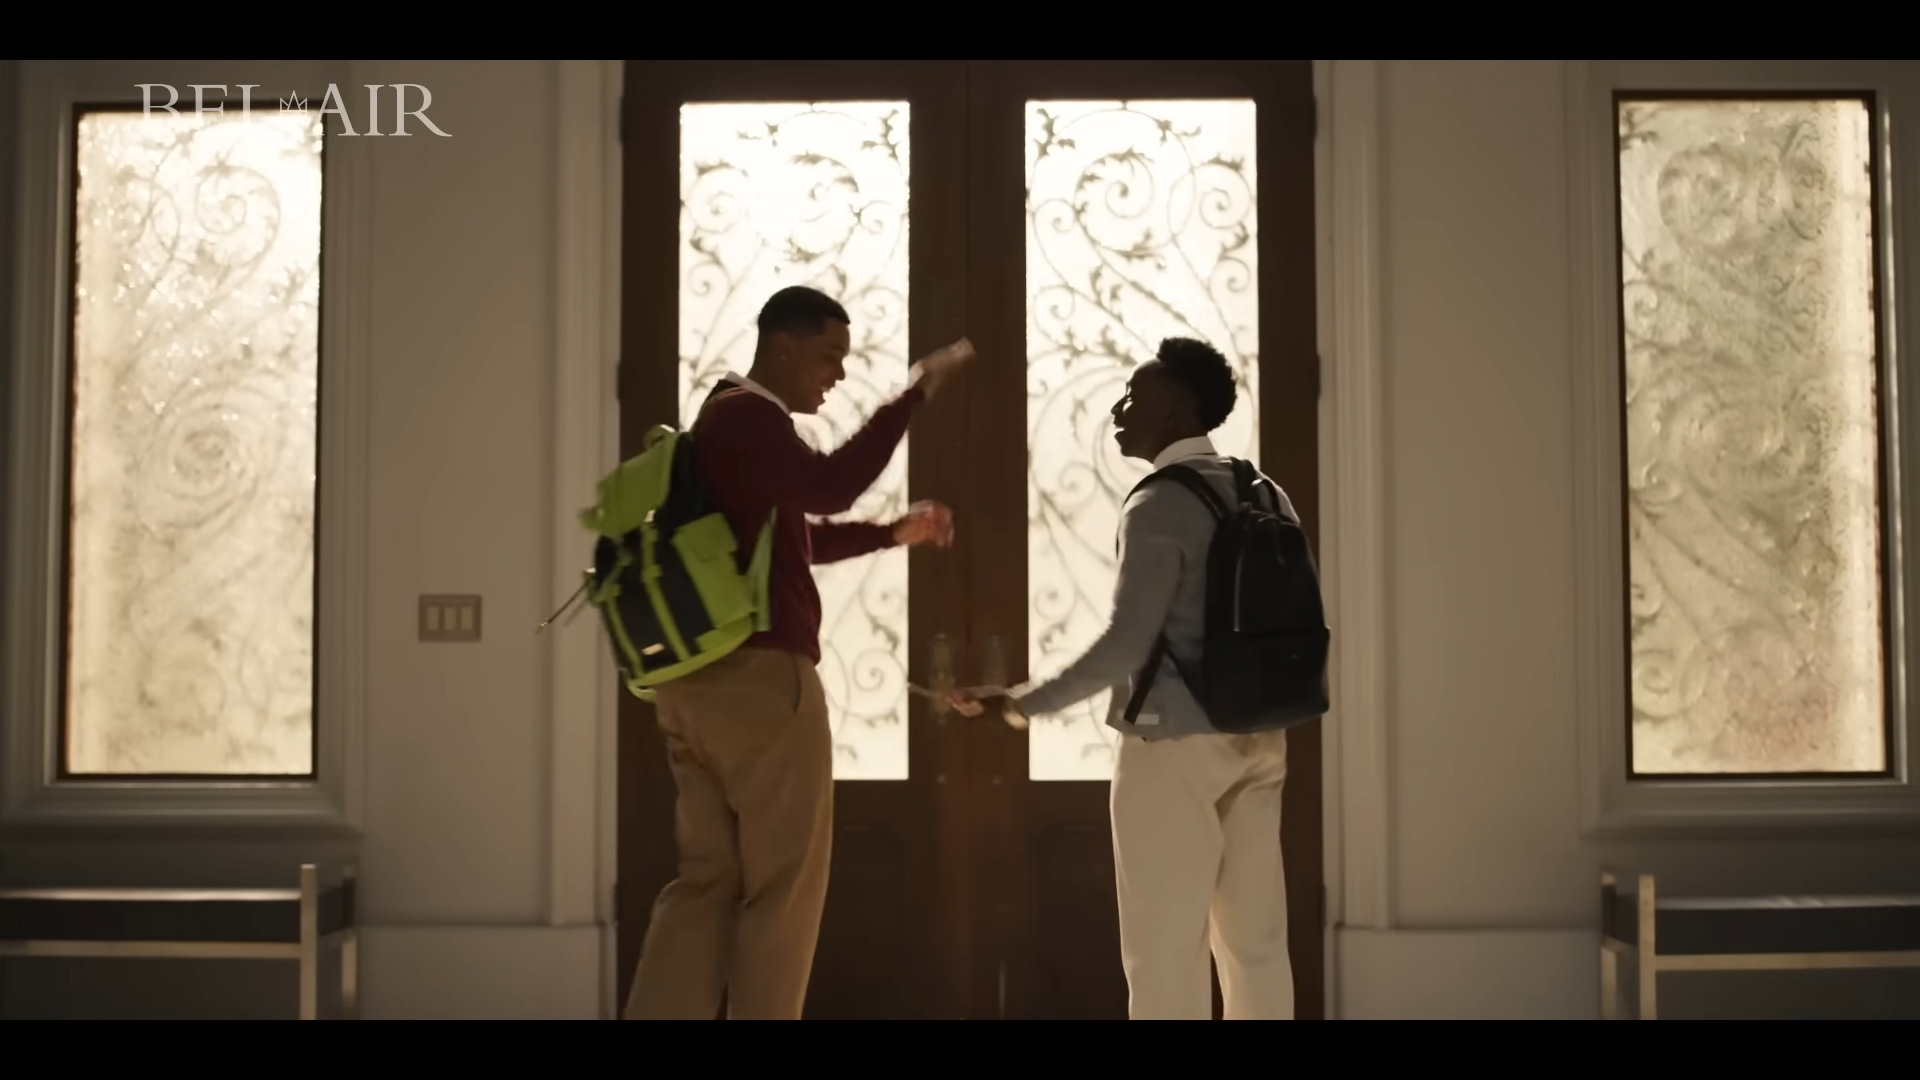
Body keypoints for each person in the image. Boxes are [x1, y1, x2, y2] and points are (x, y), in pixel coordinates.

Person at [625, 286, 973, 1020]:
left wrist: (890, 534)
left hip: (694, 683)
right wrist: (912, 394)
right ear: (782, 346)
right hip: (759, 685)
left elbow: (790, 537)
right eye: (828, 356)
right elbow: (831, 487)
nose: (838, 374)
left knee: (706, 883)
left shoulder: (719, 420)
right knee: (785, 887)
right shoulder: (752, 418)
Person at [952, 337, 1297, 1021]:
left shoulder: (1160, 501)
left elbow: (1126, 642)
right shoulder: (1265, 491)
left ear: (1174, 408)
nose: (1119, 410)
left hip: (1170, 746)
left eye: (1135, 396)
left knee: (1164, 950)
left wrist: (1022, 704)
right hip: (1261, 736)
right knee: (1256, 947)